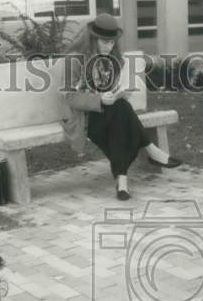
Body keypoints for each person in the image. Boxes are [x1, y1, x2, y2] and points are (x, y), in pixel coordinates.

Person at [61, 12, 182, 201]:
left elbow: (108, 90)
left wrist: (116, 93)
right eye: (104, 42)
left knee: (120, 111)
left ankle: (122, 181)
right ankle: (150, 149)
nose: (109, 46)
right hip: (86, 119)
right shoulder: (75, 60)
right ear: (93, 39)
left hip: (109, 114)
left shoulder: (110, 59)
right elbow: (69, 97)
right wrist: (100, 99)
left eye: (112, 42)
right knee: (121, 110)